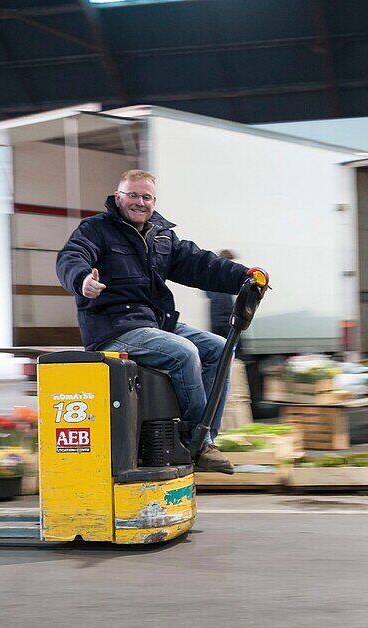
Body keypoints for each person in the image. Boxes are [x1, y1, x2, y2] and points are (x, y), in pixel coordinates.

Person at [56, 169, 268, 474]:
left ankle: (205, 437)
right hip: (113, 327)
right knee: (184, 351)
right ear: (118, 197)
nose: (139, 202)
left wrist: (244, 276)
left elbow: (199, 264)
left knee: (221, 349)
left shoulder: (161, 235)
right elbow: (71, 257)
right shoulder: (96, 230)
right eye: (133, 195)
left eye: (147, 197)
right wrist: (82, 281)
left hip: (154, 323)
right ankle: (198, 442)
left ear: (154, 201)